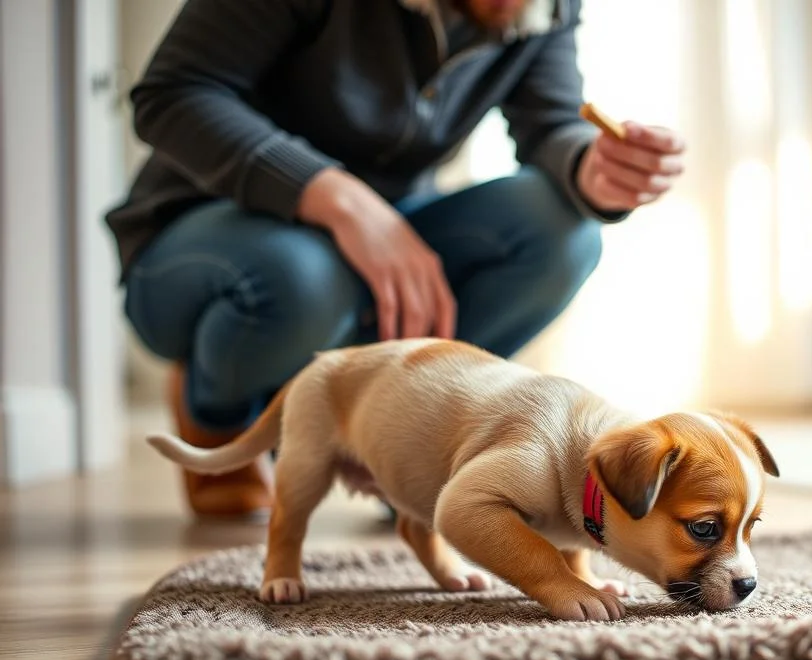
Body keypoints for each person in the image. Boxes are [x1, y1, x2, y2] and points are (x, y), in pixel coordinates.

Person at [105, 0, 685, 520]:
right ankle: (223, 409)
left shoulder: (547, 6)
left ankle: (407, 448)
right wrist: (340, 198)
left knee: (563, 234)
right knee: (305, 279)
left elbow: (551, 125)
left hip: (382, 228)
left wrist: (593, 170)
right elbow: (172, 94)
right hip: (201, 240)